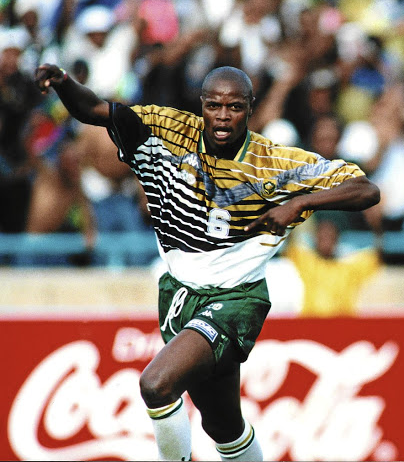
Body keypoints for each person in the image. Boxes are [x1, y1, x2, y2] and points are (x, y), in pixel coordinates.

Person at [34, 63, 380, 461]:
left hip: (235, 300)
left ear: (250, 109)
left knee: (156, 385)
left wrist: (299, 202)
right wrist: (63, 84)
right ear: (202, 105)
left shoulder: (273, 164)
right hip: (180, 293)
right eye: (214, 105)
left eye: (234, 107)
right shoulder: (165, 129)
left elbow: (365, 189)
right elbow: (94, 110)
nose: (222, 116)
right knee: (222, 426)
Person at [285, 217, 382, 316]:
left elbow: (376, 255)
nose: (326, 242)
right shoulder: (307, 261)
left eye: (330, 237)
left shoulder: (349, 267)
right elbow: (290, 243)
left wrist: (377, 226)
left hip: (342, 323)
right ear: (316, 238)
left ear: (337, 239)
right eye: (322, 237)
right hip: (311, 321)